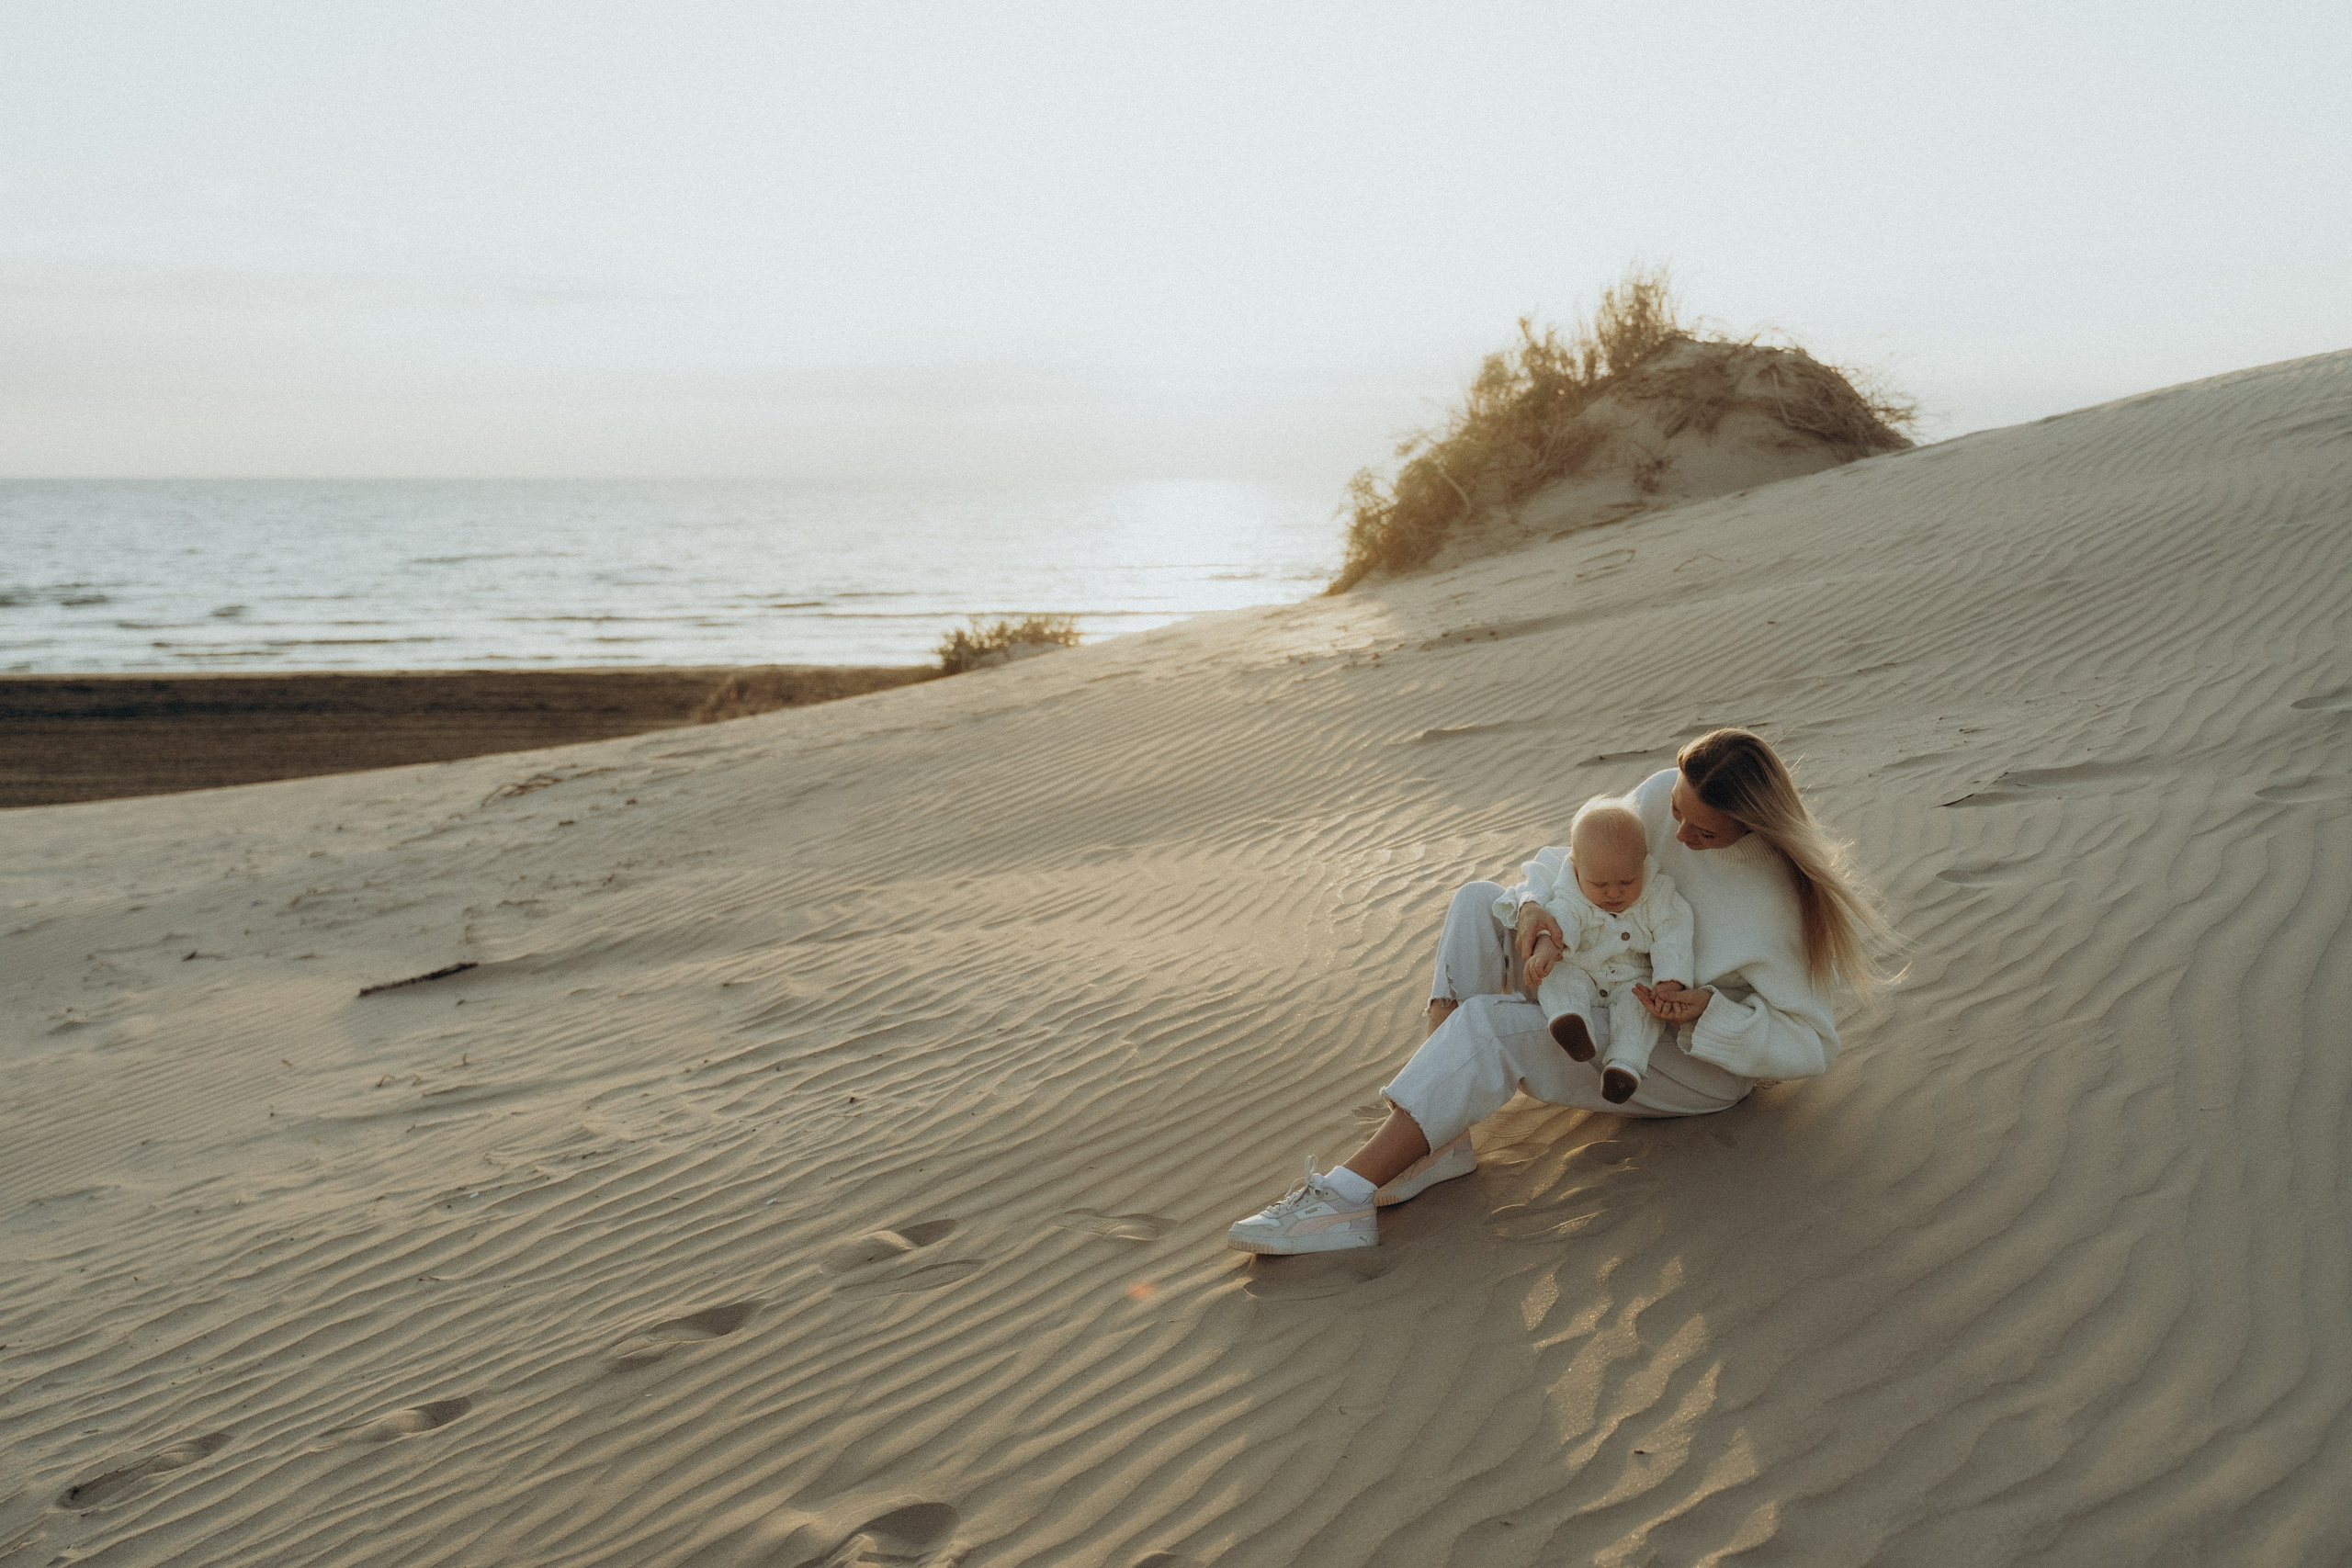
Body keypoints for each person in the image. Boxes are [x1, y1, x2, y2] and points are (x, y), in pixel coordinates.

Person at [1227, 728, 1888, 1256]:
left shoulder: (1777, 901)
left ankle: (1343, 1198)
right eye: (1679, 812)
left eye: (1703, 831)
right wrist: (1535, 912)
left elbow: (1810, 1044)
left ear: (1753, 825)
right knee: (1478, 902)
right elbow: (1573, 861)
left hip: (1687, 1060)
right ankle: (1441, 1142)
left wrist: (1710, 1011)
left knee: (1492, 1028)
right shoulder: (1665, 795)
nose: (1678, 834)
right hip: (1599, 974)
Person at [1521, 797, 1694, 1106]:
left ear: (1643, 861)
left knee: (1643, 1009)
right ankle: (1570, 1021)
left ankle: (1625, 1066)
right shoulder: (1572, 891)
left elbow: (1673, 934)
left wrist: (1670, 982)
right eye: (1599, 884)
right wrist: (1547, 949)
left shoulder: (1659, 892)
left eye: (1627, 881)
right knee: (1558, 975)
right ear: (1576, 868)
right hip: (1582, 969)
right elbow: (1562, 919)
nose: (1613, 893)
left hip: (1633, 978)